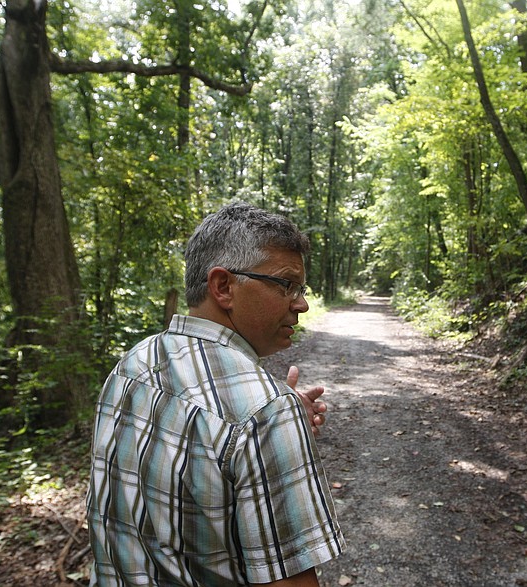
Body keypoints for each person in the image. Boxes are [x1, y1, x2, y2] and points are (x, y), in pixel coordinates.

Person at [87, 202, 345, 586]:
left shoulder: (131, 365)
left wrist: (278, 428)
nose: (302, 304)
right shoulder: (266, 411)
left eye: (301, 288)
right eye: (286, 284)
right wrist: (275, 418)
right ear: (223, 286)